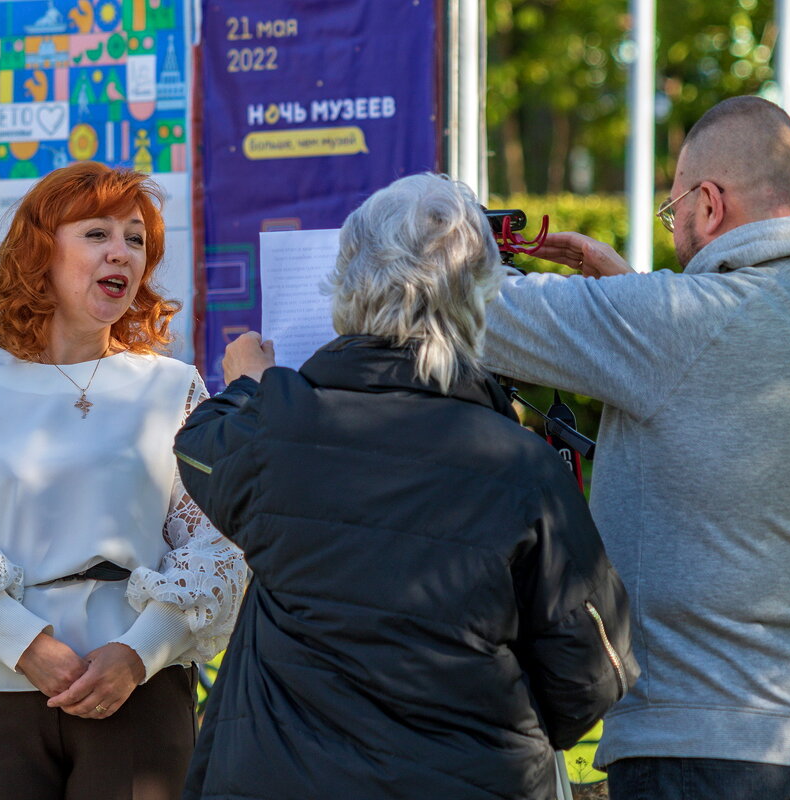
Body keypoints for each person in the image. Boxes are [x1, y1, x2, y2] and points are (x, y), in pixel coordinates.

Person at [483, 96, 790, 799]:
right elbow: (727, 390)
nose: (676, 228)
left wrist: (463, 237)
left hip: (705, 746)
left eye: (675, 208)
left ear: (709, 203)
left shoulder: (684, 328)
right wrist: (627, 302)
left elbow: (472, 313)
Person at [173, 174, 638, 800]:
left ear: (344, 285)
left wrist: (251, 383)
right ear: (481, 299)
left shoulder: (272, 428)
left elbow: (199, 445)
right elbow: (589, 677)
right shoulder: (521, 465)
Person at [0, 161, 248, 800]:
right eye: (98, 233)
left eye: (136, 239)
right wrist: (25, 645)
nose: (122, 252)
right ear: (41, 252)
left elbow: (217, 546)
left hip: (138, 695)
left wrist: (140, 651)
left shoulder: (175, 389)